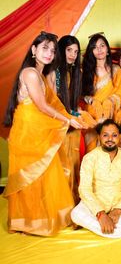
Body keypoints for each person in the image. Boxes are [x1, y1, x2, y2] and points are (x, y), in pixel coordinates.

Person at [3, 31, 86, 236]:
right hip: (28, 131)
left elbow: (53, 104)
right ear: (34, 50)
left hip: (37, 130)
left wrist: (71, 115)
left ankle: (38, 221)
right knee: (30, 176)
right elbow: (41, 105)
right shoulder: (30, 73)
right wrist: (67, 119)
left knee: (42, 175)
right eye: (44, 48)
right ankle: (27, 223)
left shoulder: (41, 74)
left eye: (51, 50)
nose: (49, 53)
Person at [71, 119, 121, 243]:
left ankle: (101, 226)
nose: (110, 139)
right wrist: (101, 214)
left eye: (114, 135)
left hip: (120, 206)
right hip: (96, 204)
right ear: (99, 137)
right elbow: (84, 189)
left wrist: (117, 210)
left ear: (119, 137)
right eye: (105, 135)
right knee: (76, 214)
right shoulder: (90, 158)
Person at [46, 35, 95, 203]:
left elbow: (73, 102)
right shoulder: (53, 73)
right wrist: (70, 116)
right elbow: (51, 104)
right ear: (61, 50)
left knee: (75, 157)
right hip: (56, 121)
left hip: (70, 120)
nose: (73, 54)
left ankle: (71, 199)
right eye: (69, 50)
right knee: (62, 164)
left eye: (76, 51)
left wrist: (78, 111)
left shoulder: (75, 72)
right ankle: (59, 203)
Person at [81, 33, 121, 152]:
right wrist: (92, 101)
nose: (99, 49)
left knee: (110, 151)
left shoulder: (116, 70)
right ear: (91, 51)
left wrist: (109, 102)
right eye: (95, 47)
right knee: (92, 152)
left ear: (107, 49)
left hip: (111, 114)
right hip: (91, 115)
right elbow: (82, 94)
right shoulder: (85, 70)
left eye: (102, 46)